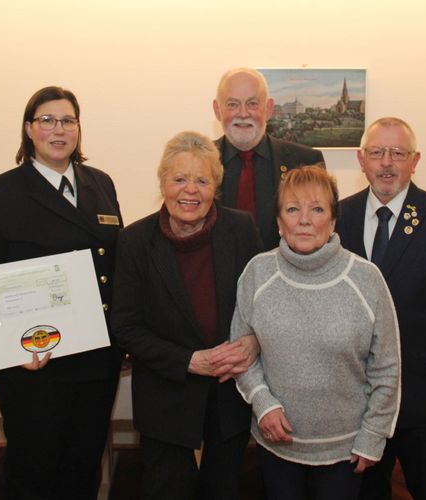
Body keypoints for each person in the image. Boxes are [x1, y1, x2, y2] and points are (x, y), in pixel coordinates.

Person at [0, 86, 123, 499]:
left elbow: (114, 265)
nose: (59, 129)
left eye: (68, 120)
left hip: (94, 359)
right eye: (47, 120)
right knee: (35, 468)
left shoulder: (100, 184)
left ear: (79, 129)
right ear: (29, 130)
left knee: (84, 463)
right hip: (33, 362)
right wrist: (9, 350)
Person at [336, 117, 426, 499]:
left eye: (398, 153)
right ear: (361, 159)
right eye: (377, 153)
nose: (387, 162)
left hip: (425, 397)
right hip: (358, 397)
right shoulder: (337, 218)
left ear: (415, 160)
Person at [231, 166, 401, 500]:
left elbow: (387, 368)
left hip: (346, 448)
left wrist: (373, 435)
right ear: (279, 222)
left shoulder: (367, 279)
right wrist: (263, 404)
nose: (304, 220)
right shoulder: (257, 272)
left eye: (317, 208)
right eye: (293, 209)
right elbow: (241, 353)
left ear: (333, 221)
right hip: (277, 443)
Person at [111, 131, 263, 499]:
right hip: (166, 394)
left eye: (201, 180)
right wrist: (188, 361)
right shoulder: (134, 241)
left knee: (222, 488)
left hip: (229, 392)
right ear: (163, 182)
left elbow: (265, 304)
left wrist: (255, 342)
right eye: (179, 179)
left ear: (216, 186)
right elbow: (125, 325)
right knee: (167, 489)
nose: (190, 190)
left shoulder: (241, 229)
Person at [213, 67, 326, 249]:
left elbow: (320, 231)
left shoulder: (306, 161)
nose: (243, 114)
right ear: (217, 110)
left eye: (252, 104)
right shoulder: (199, 162)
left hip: (287, 274)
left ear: (269, 109)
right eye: (232, 104)